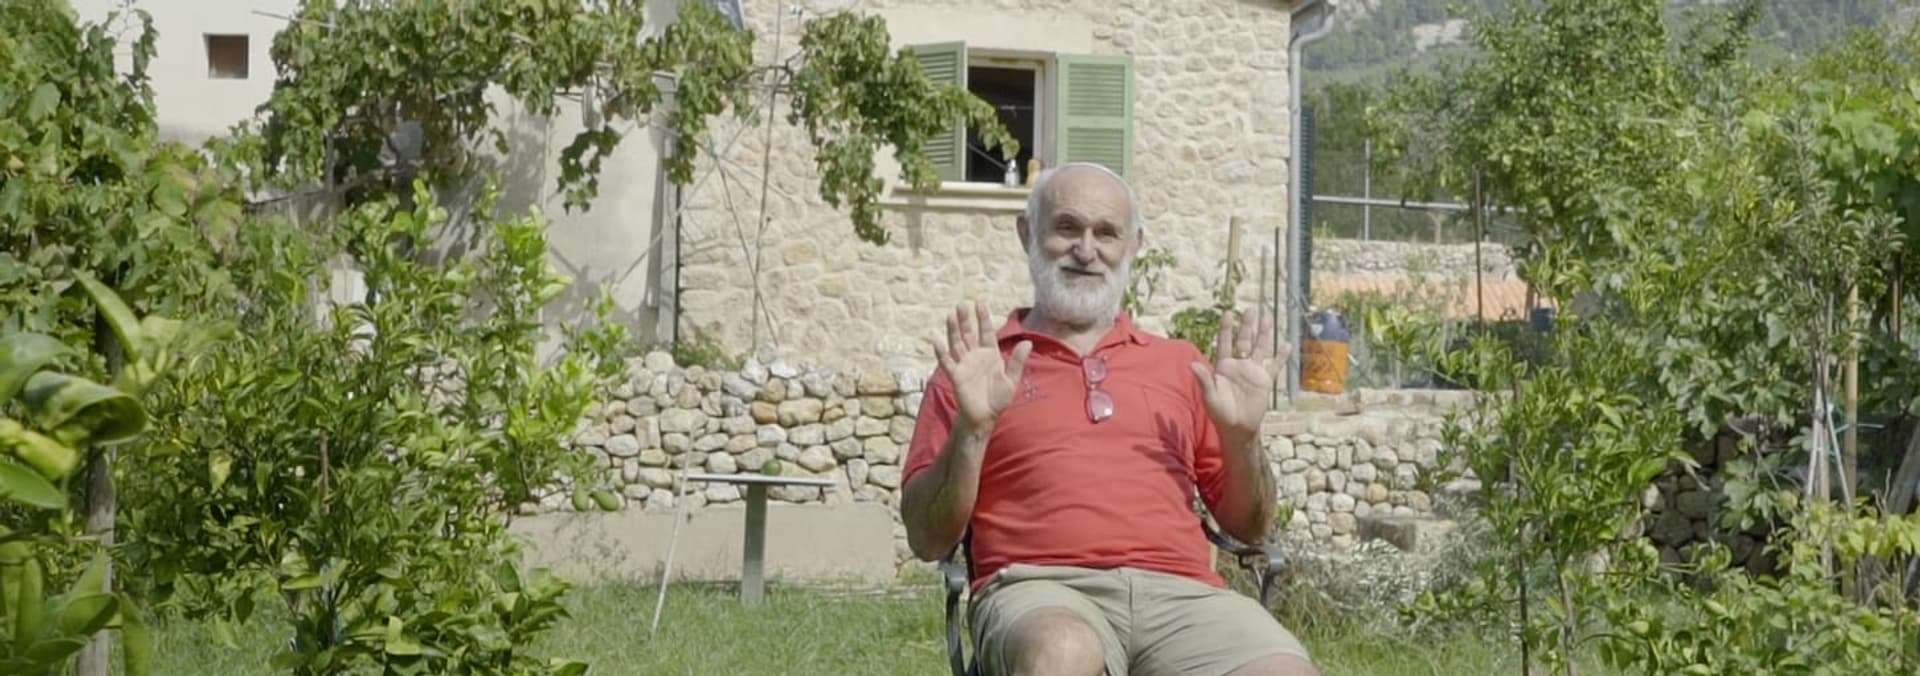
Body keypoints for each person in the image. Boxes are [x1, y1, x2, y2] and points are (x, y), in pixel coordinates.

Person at [900, 162, 1320, 676]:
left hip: (1183, 598)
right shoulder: (980, 368)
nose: (1085, 250)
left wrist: (1243, 438)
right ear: (1027, 233)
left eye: (1106, 233)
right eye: (1067, 227)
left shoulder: (1180, 365)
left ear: (1134, 245)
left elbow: (1251, 527)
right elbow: (926, 538)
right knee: (1063, 652)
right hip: (1041, 591)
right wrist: (974, 429)